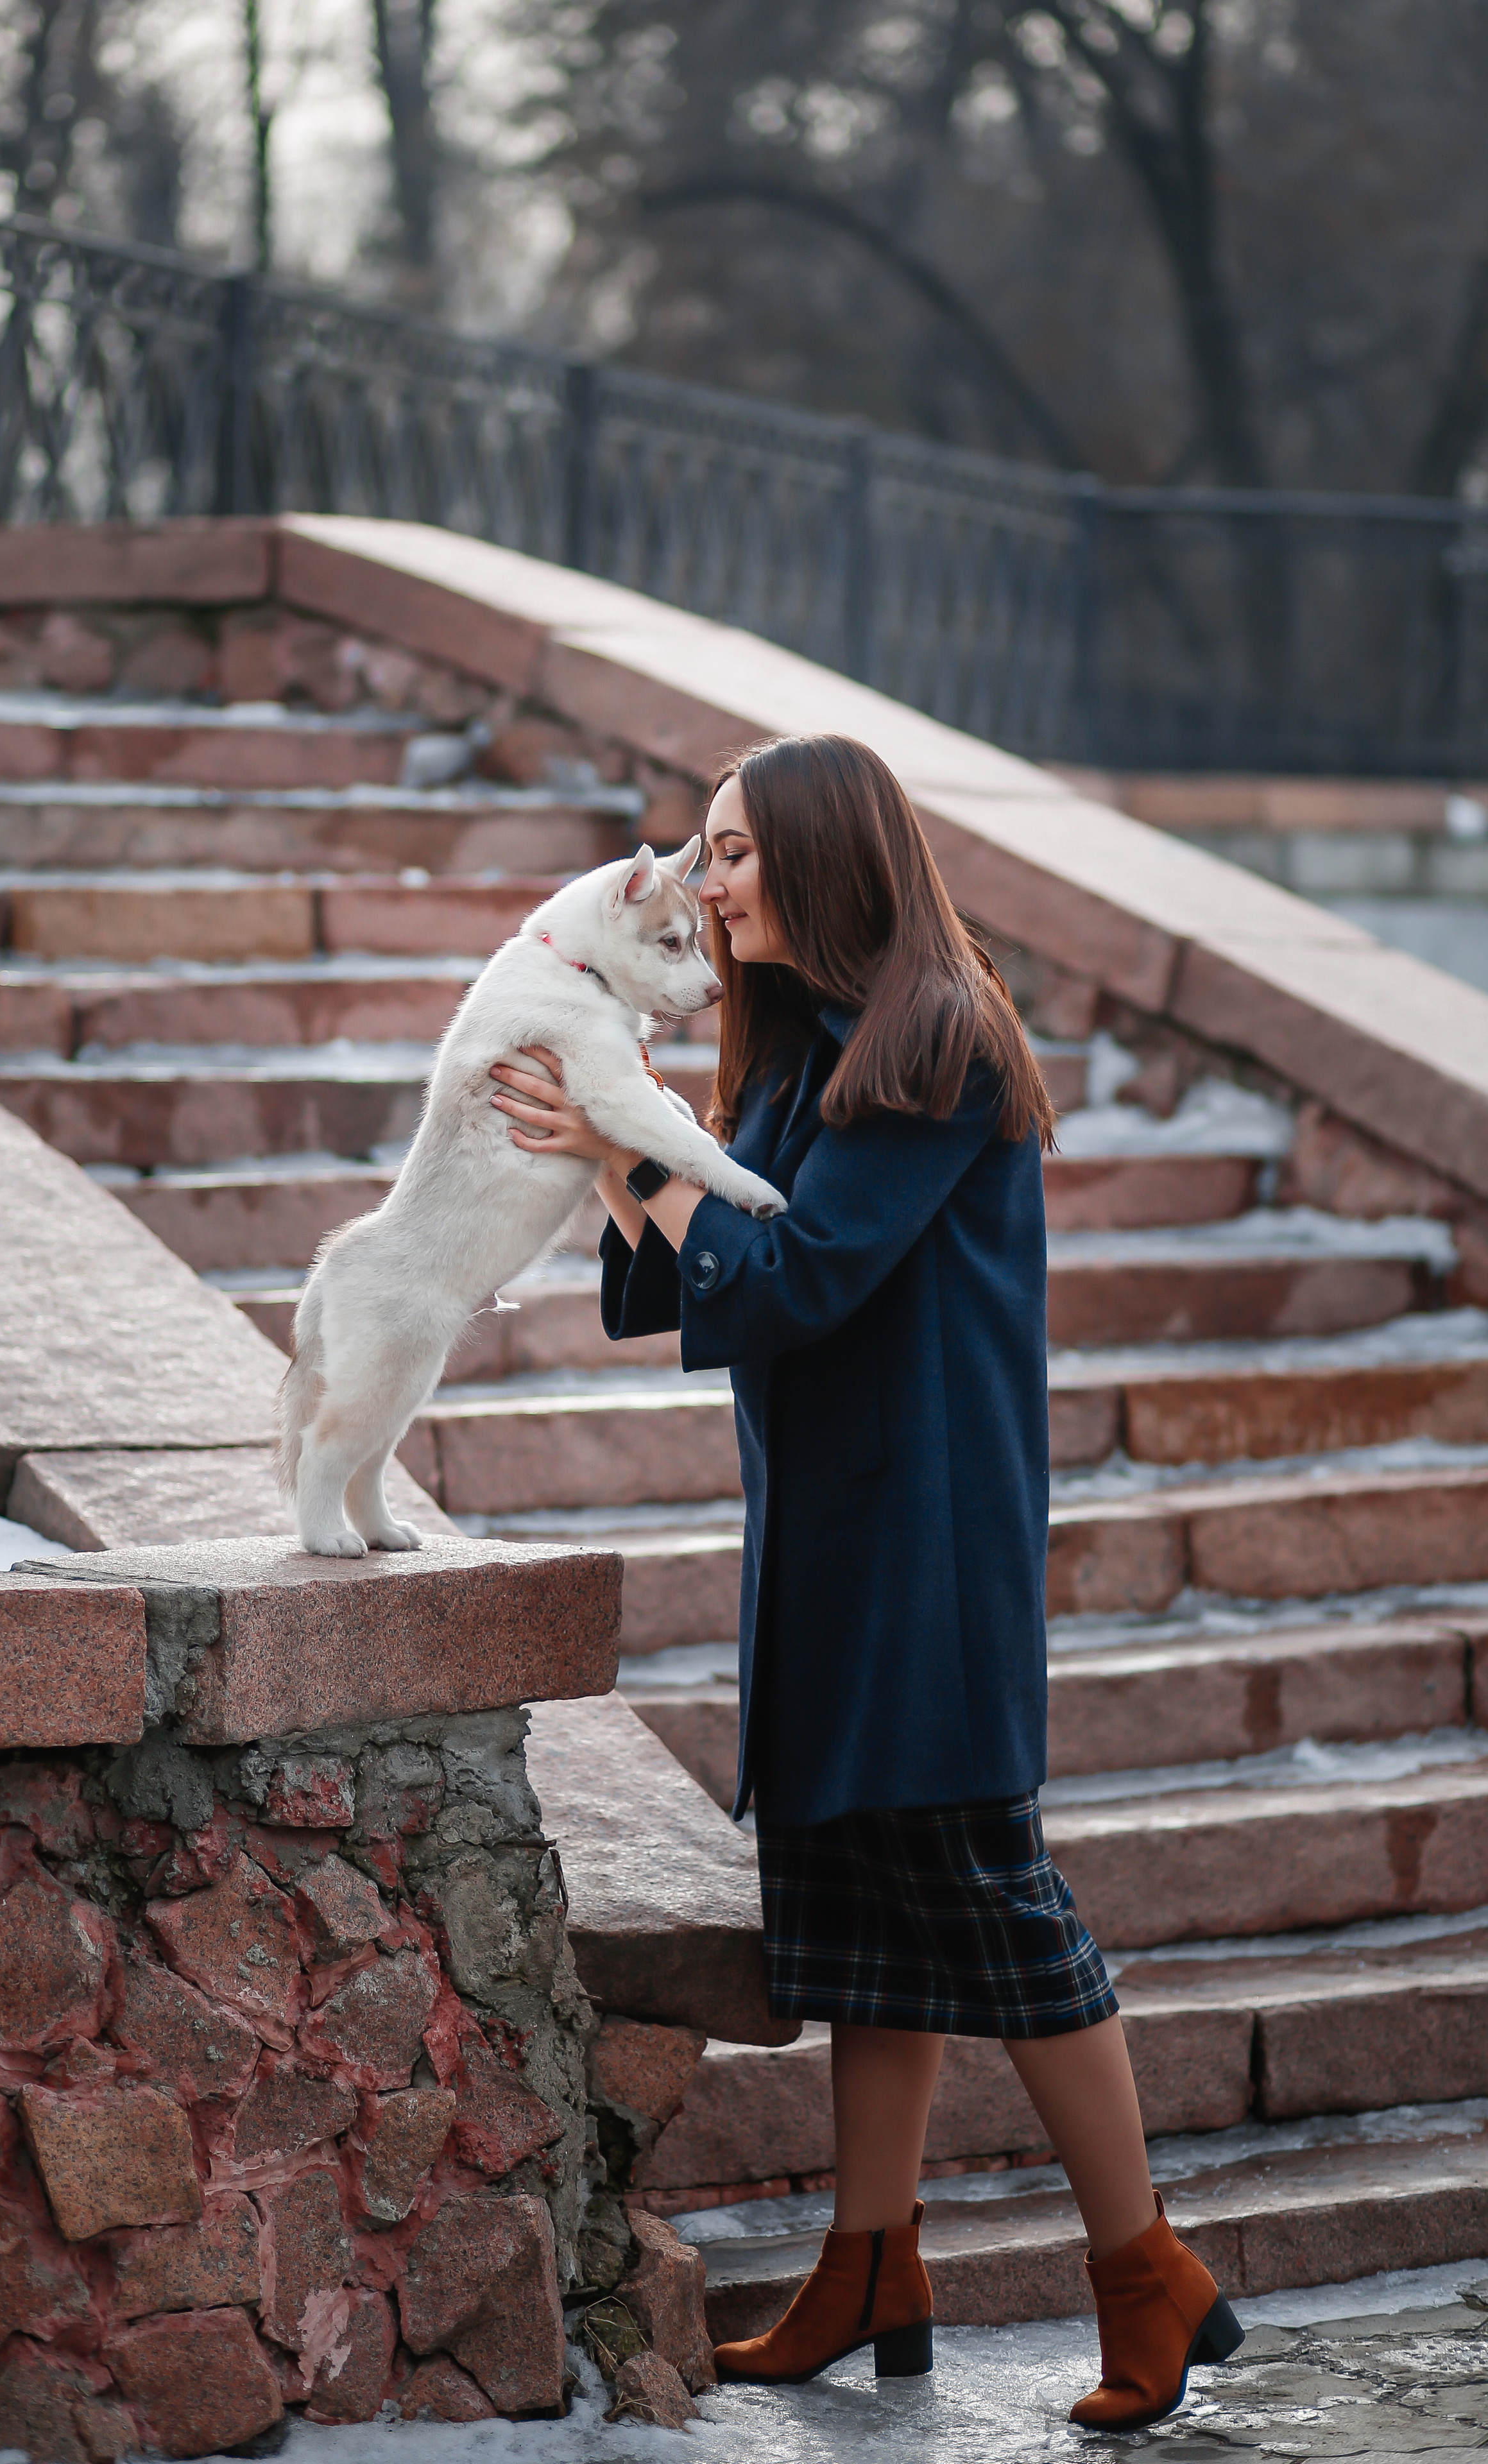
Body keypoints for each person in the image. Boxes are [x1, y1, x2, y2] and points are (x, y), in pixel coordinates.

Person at [487, 733, 1242, 2433]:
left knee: (984, 1896)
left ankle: (1150, 2275)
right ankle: (870, 2267)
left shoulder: (936, 1045)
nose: (710, 881)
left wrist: (630, 1154)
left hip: (928, 1551)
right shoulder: (803, 1047)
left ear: (825, 855)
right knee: (858, 1913)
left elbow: (802, 1272)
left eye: (741, 853)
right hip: (829, 1534)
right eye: (707, 853)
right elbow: (724, 1288)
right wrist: (633, 1153)